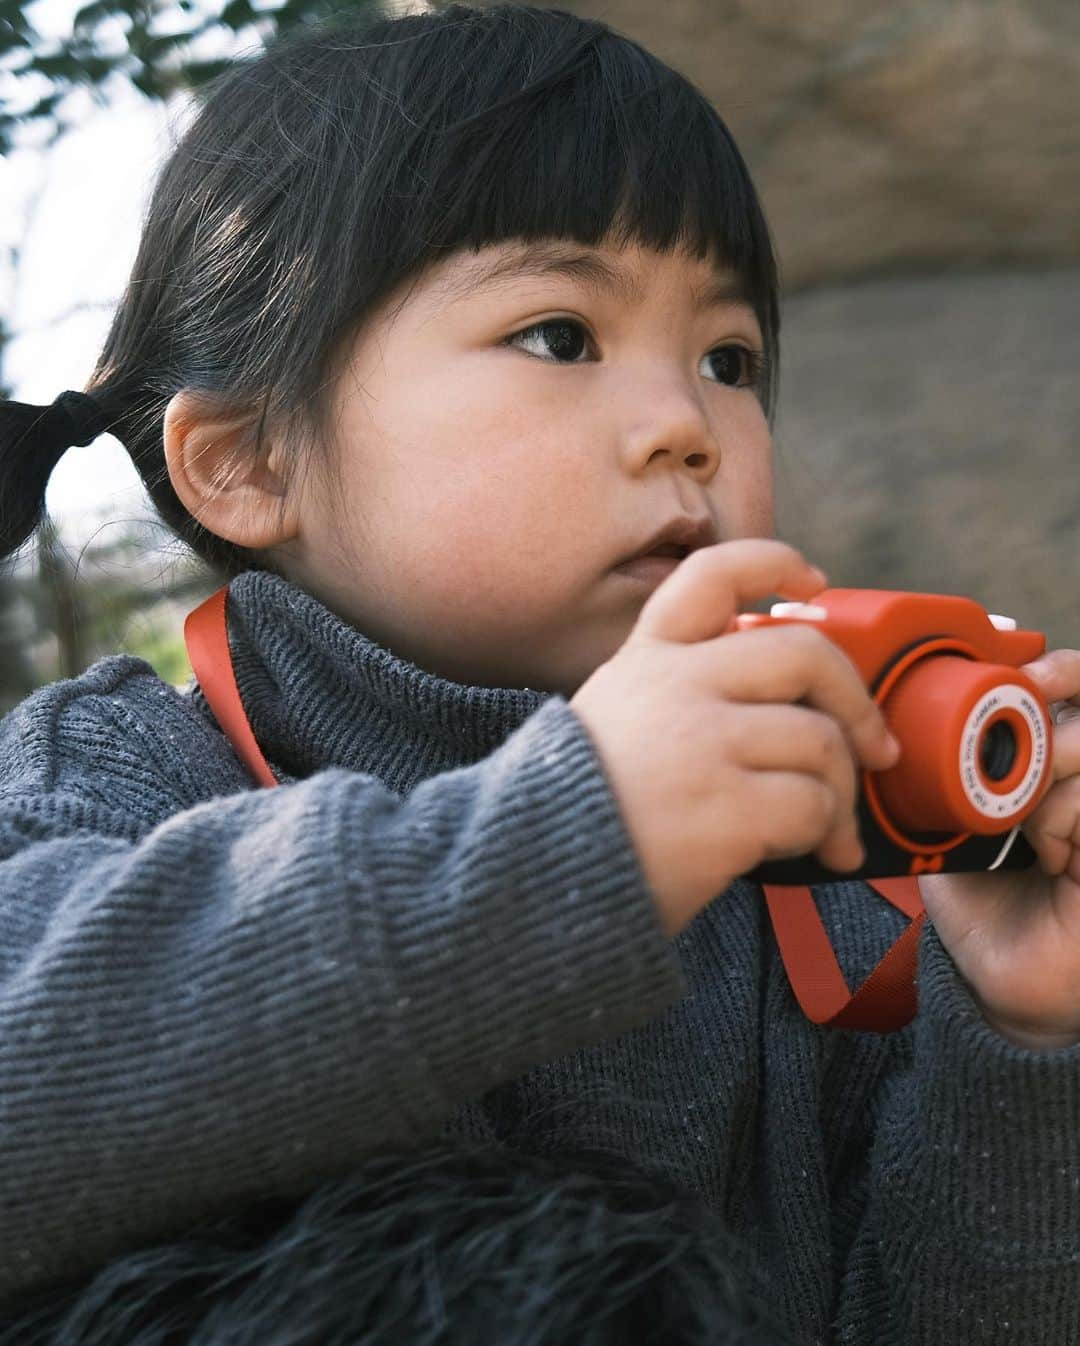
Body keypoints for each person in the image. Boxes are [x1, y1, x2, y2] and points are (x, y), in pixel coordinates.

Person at [0, 5, 1078, 1343]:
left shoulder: (833, 896)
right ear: (249, 462)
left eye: (728, 358)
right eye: (562, 334)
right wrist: (580, 838)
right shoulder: (129, 772)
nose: (687, 425)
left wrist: (1022, 1041)